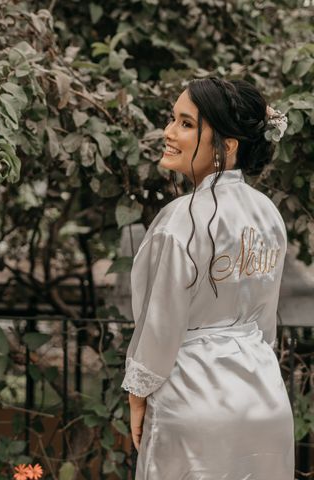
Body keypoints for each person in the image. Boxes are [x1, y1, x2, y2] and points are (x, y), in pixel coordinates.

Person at [120, 77, 294, 479]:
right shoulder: (268, 213)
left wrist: (137, 396)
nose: (168, 132)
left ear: (227, 144)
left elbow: (160, 325)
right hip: (264, 398)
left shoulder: (180, 220)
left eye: (186, 124)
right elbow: (264, 324)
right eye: (172, 119)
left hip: (193, 399)